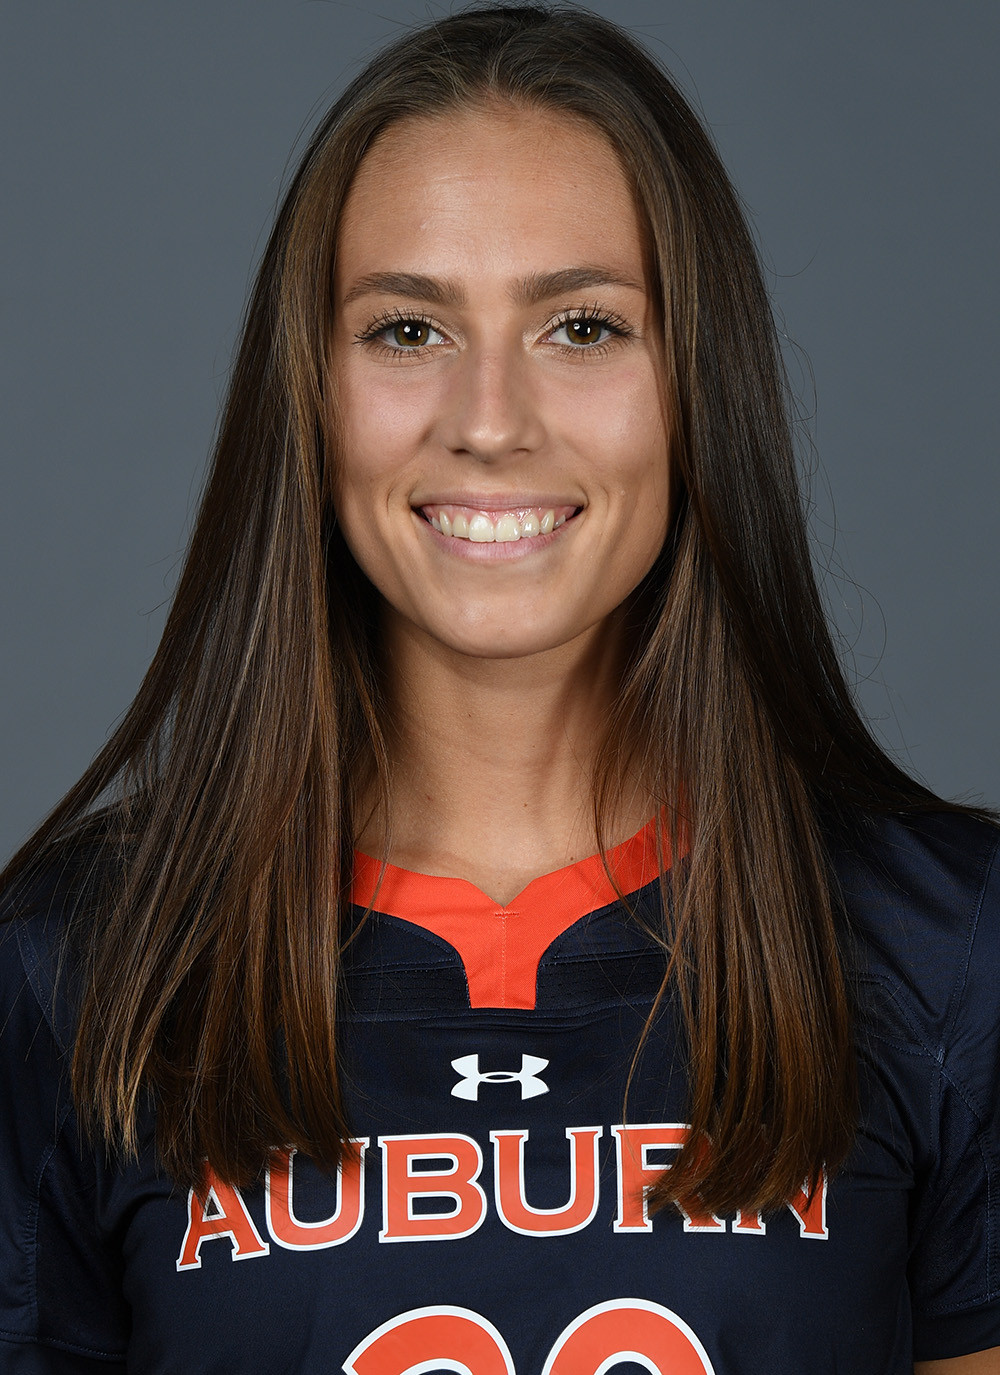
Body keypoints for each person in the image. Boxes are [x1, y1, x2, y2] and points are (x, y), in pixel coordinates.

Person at [1, 4, 997, 1371]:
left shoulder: (951, 952)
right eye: (407, 329)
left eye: (582, 327)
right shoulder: (79, 972)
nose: (488, 420)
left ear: (696, 383)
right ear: (311, 393)